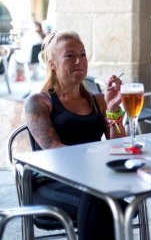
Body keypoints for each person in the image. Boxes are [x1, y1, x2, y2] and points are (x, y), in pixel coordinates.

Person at [24, 30, 127, 240]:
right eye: (70, 56)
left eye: (83, 54)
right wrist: (98, 161)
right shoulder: (38, 102)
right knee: (103, 202)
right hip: (48, 184)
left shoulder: (99, 100)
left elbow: (119, 145)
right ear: (52, 63)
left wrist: (113, 108)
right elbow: (55, 152)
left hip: (93, 181)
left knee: (117, 199)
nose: (79, 61)